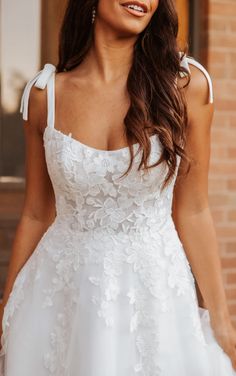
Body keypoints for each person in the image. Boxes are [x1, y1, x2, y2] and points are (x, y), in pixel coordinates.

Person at [0, 0, 236, 375]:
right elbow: (36, 212)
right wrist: (5, 311)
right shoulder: (45, 95)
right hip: (58, 302)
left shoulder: (188, 86)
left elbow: (193, 209)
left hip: (155, 304)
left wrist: (222, 322)